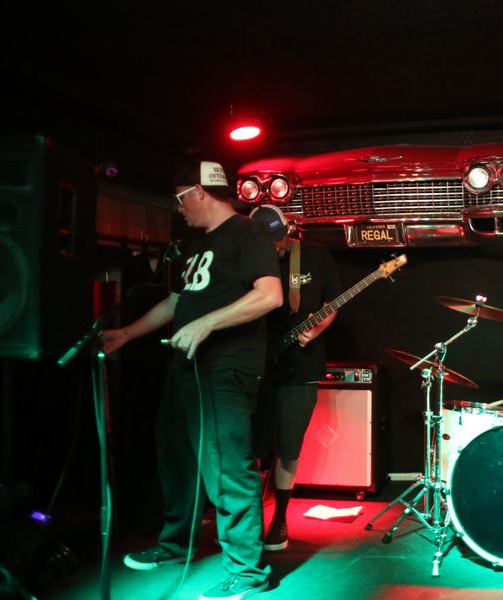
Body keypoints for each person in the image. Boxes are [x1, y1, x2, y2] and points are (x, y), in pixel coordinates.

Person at [102, 160, 282, 600]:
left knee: (227, 466)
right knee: (177, 459)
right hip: (186, 368)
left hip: (225, 368)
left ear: (200, 192)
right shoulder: (196, 246)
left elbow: (269, 296)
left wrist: (208, 323)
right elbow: (175, 303)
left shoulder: (249, 234)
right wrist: (125, 334)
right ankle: (175, 545)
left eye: (180, 198)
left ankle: (247, 571)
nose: (178, 208)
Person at [248, 204, 343, 551]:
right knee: (251, 447)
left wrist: (316, 330)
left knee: (289, 447)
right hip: (255, 363)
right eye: (270, 240)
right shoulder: (246, 258)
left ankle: (280, 519)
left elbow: (333, 302)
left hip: (301, 366)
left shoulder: (314, 255)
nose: (278, 244)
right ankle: (249, 520)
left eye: (280, 236)